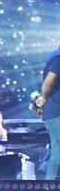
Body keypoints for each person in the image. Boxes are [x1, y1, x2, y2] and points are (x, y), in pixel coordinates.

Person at [40, 47, 60, 179]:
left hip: (54, 109)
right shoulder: (58, 58)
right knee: (58, 149)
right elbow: (49, 82)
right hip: (56, 111)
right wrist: (44, 101)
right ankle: (50, 184)